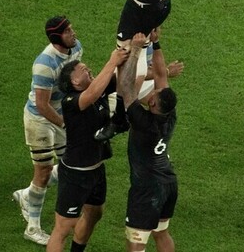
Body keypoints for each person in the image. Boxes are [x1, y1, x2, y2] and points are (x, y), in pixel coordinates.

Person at [46, 48, 128, 252]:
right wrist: (112, 61)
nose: (89, 69)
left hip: (96, 170)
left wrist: (157, 69)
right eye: (83, 69)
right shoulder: (70, 101)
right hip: (76, 174)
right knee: (63, 228)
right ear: (74, 81)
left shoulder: (97, 89)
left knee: (94, 214)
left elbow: (125, 78)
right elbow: (91, 95)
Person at [14, 16, 83, 245]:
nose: (73, 33)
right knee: (43, 171)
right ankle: (32, 228)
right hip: (39, 118)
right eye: (68, 31)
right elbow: (42, 105)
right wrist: (65, 123)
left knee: (70, 164)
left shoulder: (77, 48)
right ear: (57, 37)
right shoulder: (44, 64)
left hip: (61, 112)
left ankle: (27, 195)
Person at [119, 31, 184, 252]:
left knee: (135, 242)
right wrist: (156, 44)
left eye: (154, 94)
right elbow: (161, 75)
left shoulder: (143, 121)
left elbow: (126, 87)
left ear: (154, 104)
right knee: (161, 233)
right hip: (168, 183)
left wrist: (136, 50)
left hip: (147, 189)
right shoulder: (169, 114)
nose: (152, 92)